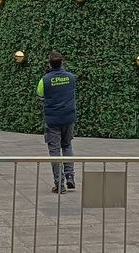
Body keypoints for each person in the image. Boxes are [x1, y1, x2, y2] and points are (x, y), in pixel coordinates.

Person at [37, 51, 77, 194]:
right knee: (67, 145)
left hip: (53, 120)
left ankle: (59, 183)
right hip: (68, 118)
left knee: (55, 152)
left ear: (49, 63)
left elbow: (40, 96)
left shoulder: (45, 80)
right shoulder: (71, 78)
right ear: (62, 62)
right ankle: (70, 176)